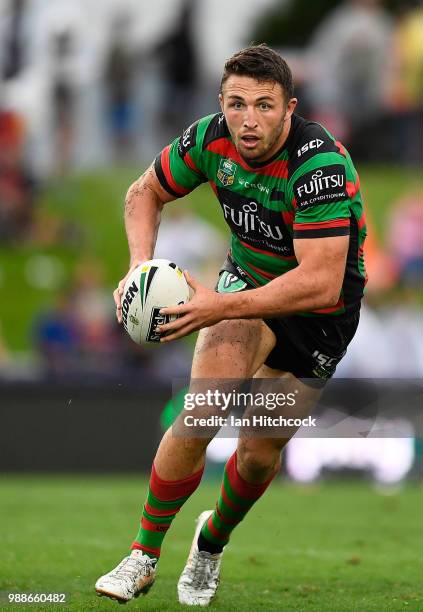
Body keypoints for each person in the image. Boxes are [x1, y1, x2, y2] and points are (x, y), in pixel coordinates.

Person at [95, 44, 367, 606]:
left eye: (265, 106)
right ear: (221, 102)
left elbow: (321, 282)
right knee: (202, 412)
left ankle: (210, 542)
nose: (249, 120)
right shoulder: (207, 139)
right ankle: (142, 555)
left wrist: (215, 306)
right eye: (237, 104)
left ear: (289, 109)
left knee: (259, 452)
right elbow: (144, 192)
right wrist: (138, 266)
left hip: (319, 317)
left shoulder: (318, 164)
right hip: (244, 286)